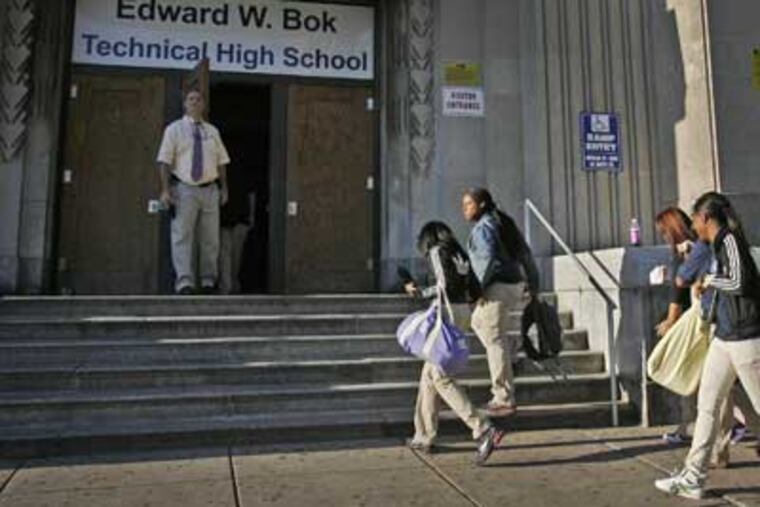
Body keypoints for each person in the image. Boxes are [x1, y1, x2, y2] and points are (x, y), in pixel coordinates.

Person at [655, 192, 760, 500]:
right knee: (707, 405)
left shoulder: (729, 239)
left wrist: (712, 280)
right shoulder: (716, 243)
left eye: (697, 220)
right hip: (725, 337)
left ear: (706, 218)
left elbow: (741, 283)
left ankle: (694, 474)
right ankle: (693, 475)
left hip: (744, 338)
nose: (694, 226)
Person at [403, 221, 504, 465]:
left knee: (440, 377)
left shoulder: (438, 251)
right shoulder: (460, 252)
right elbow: (475, 288)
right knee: (429, 375)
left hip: (444, 315)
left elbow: (442, 286)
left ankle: (482, 428)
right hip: (461, 313)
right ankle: (424, 434)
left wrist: (418, 293)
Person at [462, 188, 539, 416]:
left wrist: (476, 292)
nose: (464, 209)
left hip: (497, 287)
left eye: (468, 204)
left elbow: (487, 261)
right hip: (513, 285)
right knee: (478, 323)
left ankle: (503, 398)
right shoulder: (502, 222)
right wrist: (532, 283)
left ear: (482, 204)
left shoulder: (484, 228)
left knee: (494, 341)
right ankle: (511, 351)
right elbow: (525, 254)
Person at [157, 89, 230, 295]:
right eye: (191, 99)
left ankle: (208, 281)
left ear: (203, 105)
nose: (195, 102)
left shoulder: (212, 131)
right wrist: (165, 190)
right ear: (185, 104)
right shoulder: (174, 130)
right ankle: (184, 282)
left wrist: (224, 188)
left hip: (210, 190)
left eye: (199, 100)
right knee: (182, 236)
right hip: (184, 189)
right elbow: (164, 161)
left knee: (211, 239)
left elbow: (222, 162)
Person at [653, 207, 698, 444]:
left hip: (695, 322)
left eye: (664, 232)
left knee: (690, 379)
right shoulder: (698, 246)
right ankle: (688, 428)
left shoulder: (687, 251)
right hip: (700, 319)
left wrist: (671, 321)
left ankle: (687, 428)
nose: (663, 237)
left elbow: (678, 290)